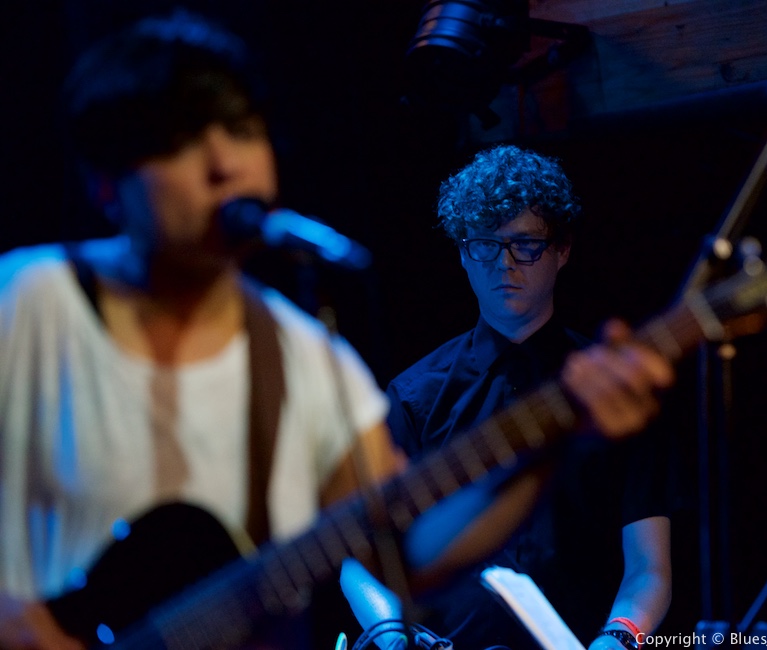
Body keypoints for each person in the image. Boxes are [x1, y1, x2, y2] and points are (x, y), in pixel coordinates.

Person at [0, 12, 674, 650]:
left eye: (240, 131)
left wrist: (548, 445)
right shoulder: (31, 301)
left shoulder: (303, 354)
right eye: (179, 141)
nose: (222, 164)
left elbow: (406, 551)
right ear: (105, 184)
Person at [385, 145, 673, 650]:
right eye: (484, 244)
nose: (505, 264)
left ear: (562, 251)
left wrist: (618, 639)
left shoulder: (614, 391)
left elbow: (650, 568)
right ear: (461, 253)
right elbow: (364, 557)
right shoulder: (414, 397)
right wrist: (392, 634)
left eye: (526, 245)